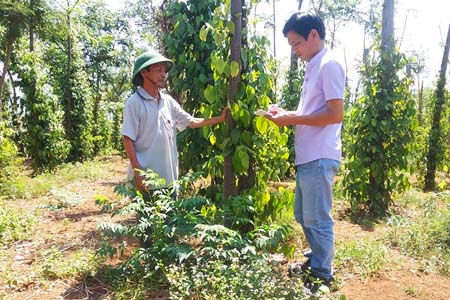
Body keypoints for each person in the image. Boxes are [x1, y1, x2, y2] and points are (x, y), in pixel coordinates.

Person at [264, 13, 345, 293]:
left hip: (321, 155)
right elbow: (312, 110)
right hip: (308, 155)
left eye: (296, 43)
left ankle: (323, 274)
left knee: (317, 217)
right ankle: (316, 260)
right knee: (302, 214)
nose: (294, 50)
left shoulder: (329, 64)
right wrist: (286, 113)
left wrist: (293, 119)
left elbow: (335, 114)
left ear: (313, 35)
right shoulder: (314, 65)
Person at [121, 50, 228, 193]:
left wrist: (220, 119)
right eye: (158, 70)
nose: (163, 74)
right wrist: (138, 173)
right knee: (149, 215)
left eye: (164, 71)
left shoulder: (167, 101)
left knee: (171, 215)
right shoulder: (134, 103)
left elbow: (192, 122)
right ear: (144, 73)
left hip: (170, 180)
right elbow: (127, 139)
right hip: (147, 180)